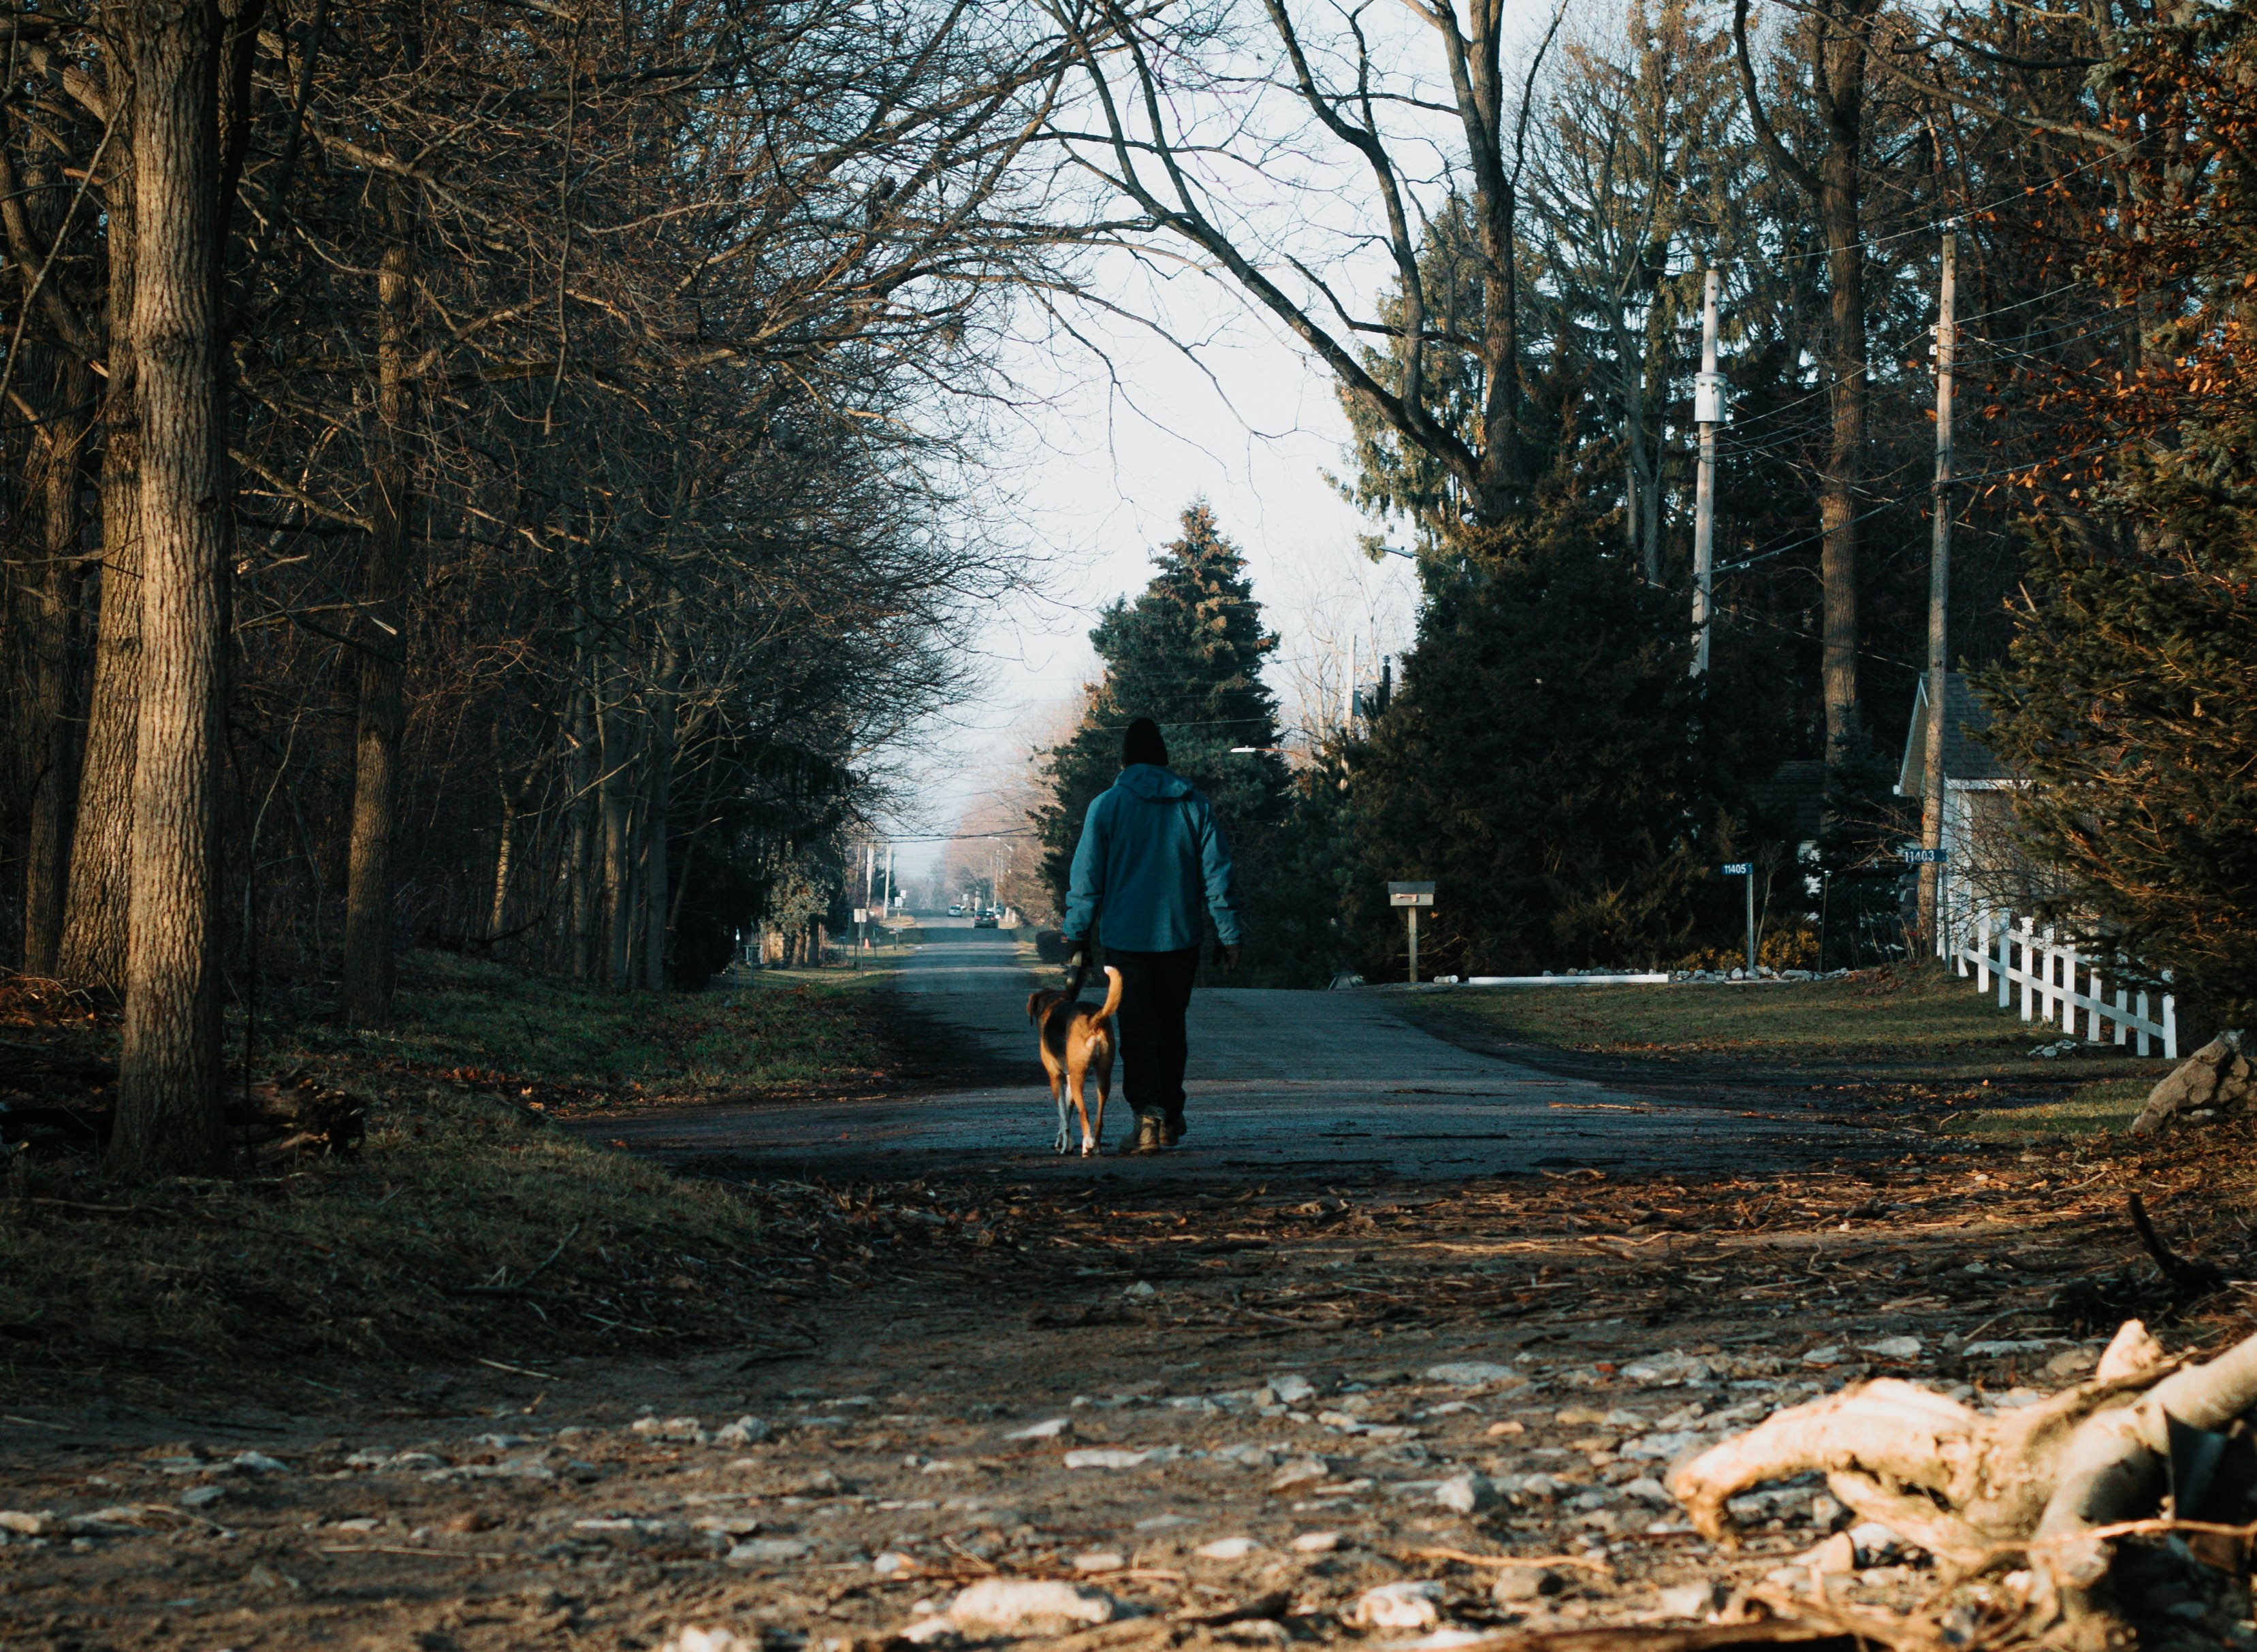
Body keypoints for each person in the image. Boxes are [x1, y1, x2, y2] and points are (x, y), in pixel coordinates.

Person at [1061, 717, 1242, 1153]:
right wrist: (1229, 934)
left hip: (1126, 940)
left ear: (1124, 760)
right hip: (1181, 936)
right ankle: (1171, 1115)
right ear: (1164, 759)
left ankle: (1148, 1119)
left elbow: (1087, 877)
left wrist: (1076, 933)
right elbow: (1217, 875)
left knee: (1138, 1029)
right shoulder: (1194, 805)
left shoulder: (1107, 805)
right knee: (1171, 1026)